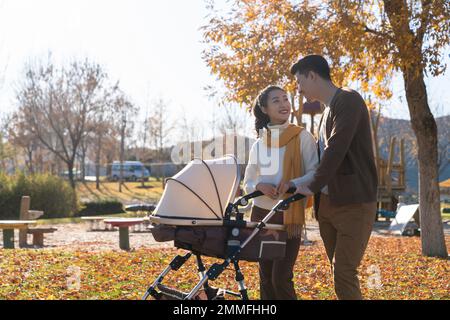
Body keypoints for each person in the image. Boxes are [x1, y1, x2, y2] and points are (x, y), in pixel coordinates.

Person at [291, 55, 378, 300]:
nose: (299, 89)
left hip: (354, 202)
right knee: (337, 271)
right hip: (327, 205)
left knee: (344, 271)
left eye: (300, 81)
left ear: (312, 75)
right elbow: (320, 159)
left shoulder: (348, 99)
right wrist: (295, 184)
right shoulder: (324, 114)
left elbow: (337, 147)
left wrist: (312, 185)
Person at [243, 85, 318, 300]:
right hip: (261, 215)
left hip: (288, 215)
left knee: (280, 278)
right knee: (265, 277)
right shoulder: (259, 143)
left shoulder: (302, 137)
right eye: (276, 100)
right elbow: (248, 181)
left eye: (286, 99)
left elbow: (315, 173)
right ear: (264, 109)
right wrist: (259, 187)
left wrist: (293, 183)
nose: (284, 104)